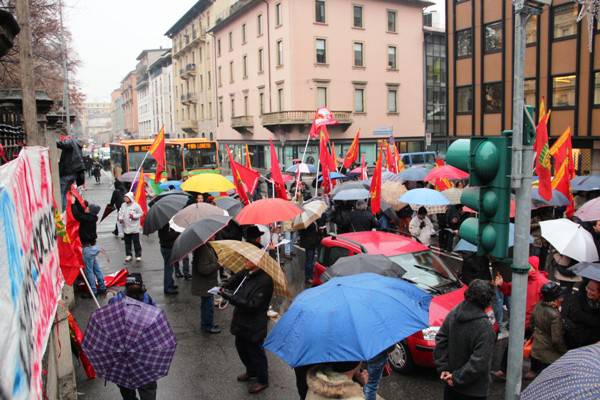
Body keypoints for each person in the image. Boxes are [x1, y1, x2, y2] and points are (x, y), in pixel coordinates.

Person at [434, 279, 496, 400]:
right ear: (487, 301)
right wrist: (456, 378)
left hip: (450, 384)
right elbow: (479, 362)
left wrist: (444, 368)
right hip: (474, 391)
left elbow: (441, 339)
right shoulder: (485, 328)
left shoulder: (454, 312)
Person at [219, 258, 274, 394]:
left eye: (249, 260)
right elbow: (233, 283)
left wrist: (230, 297)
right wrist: (225, 286)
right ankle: (251, 371)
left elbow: (253, 305)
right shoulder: (246, 273)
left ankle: (262, 379)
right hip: (241, 320)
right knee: (241, 348)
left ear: (258, 263)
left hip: (254, 323)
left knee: (256, 352)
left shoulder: (265, 281)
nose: (245, 261)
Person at [109, 273, 158, 400]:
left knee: (126, 386)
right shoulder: (147, 298)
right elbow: (157, 319)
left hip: (122, 354)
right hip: (144, 353)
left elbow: (108, 324)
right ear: (141, 285)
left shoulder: (116, 301)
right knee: (147, 386)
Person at [526, 282, 567, 379]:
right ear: (556, 299)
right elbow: (556, 340)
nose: (562, 299)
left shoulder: (538, 305)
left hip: (536, 348)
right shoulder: (555, 315)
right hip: (549, 356)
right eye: (560, 296)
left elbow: (531, 324)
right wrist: (564, 352)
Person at [71, 201, 106, 298]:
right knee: (96, 269)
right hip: (94, 247)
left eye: (88, 207)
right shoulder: (91, 218)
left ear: (90, 211)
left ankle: (93, 291)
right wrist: (78, 202)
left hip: (88, 248)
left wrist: (73, 204)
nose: (86, 208)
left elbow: (77, 215)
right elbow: (81, 213)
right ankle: (102, 287)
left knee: (89, 271)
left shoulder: (86, 219)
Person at [561, 279, 600, 349]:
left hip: (591, 343)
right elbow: (575, 315)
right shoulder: (578, 297)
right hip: (574, 338)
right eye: (587, 288)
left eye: (592, 290)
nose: (588, 291)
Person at [191, 243, 221, 334]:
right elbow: (203, 269)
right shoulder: (203, 249)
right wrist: (218, 264)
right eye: (213, 234)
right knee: (207, 306)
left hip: (208, 284)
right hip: (205, 284)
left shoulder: (206, 246)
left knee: (207, 304)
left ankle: (207, 323)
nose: (215, 235)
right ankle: (207, 326)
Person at [118, 192, 143, 262]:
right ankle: (129, 255)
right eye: (124, 197)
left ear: (130, 198)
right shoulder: (123, 205)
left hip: (135, 227)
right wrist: (120, 218)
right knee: (127, 242)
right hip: (126, 227)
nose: (125, 199)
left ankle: (138, 255)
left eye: (126, 197)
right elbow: (120, 212)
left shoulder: (136, 205)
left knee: (136, 242)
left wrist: (134, 216)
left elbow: (141, 213)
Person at [157, 224, 179, 295]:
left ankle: (170, 283)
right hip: (167, 248)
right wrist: (177, 232)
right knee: (168, 268)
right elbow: (168, 236)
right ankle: (168, 288)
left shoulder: (162, 223)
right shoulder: (164, 224)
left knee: (169, 267)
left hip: (165, 247)